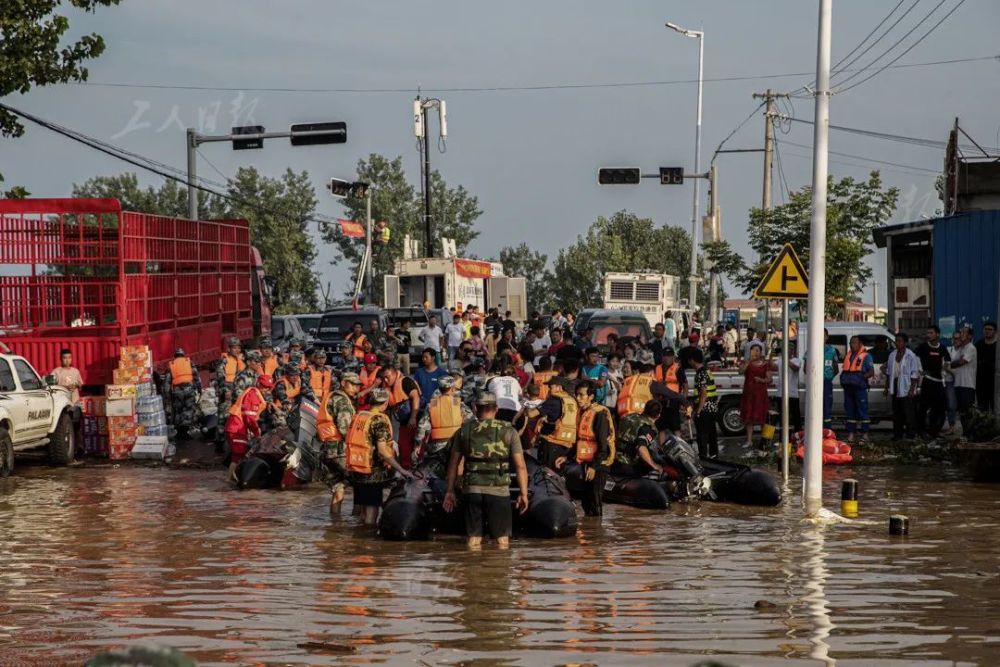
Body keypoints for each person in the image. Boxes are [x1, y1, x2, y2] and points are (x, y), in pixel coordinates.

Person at [442, 392, 530, 548]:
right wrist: (523, 494)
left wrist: (449, 491)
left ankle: (472, 569)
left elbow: (453, 463)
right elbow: (520, 466)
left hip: (472, 490)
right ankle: (499, 569)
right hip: (498, 490)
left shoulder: (464, 431)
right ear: (496, 409)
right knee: (502, 541)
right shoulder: (509, 431)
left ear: (475, 409)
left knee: (473, 539)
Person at [344, 387, 412, 525]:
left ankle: (358, 541)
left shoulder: (359, 415)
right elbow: (382, 450)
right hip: (372, 473)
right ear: (385, 403)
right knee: (371, 511)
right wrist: (401, 469)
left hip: (357, 469)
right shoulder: (379, 420)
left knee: (362, 511)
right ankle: (369, 543)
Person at [556, 380, 615, 516]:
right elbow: (581, 441)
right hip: (586, 462)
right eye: (577, 394)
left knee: (595, 501)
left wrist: (594, 467)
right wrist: (566, 456)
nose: (578, 398)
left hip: (599, 464)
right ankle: (590, 532)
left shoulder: (600, 414)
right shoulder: (583, 412)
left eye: (581, 395)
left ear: (591, 397)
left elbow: (602, 446)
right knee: (586, 502)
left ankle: (597, 532)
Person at [415, 375, 473, 476]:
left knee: (438, 474)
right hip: (456, 445)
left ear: (439, 388)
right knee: (457, 468)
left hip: (436, 447)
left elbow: (422, 427)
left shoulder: (431, 405)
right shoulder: (459, 404)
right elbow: (472, 422)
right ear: (452, 388)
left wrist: (418, 445)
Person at [321, 371, 359, 512]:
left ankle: (334, 526)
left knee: (338, 488)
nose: (356, 388)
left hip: (327, 451)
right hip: (340, 452)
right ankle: (359, 525)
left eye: (358, 385)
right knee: (360, 483)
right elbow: (345, 429)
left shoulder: (331, 397)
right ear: (343, 383)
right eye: (353, 384)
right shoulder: (342, 401)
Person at [224, 374, 273, 480]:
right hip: (237, 428)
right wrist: (256, 433)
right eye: (264, 387)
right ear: (258, 384)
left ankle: (232, 478)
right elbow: (249, 418)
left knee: (239, 455)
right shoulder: (253, 395)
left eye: (268, 387)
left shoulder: (255, 394)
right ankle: (229, 480)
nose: (266, 390)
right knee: (237, 456)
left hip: (237, 427)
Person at [381, 361, 422, 470]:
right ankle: (406, 471)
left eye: (387, 377)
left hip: (417, 420)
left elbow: (416, 397)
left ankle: (420, 471)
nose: (385, 380)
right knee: (403, 447)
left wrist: (413, 418)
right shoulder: (387, 388)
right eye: (383, 378)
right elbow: (386, 409)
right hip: (404, 423)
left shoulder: (405, 381)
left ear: (394, 374)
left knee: (419, 448)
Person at [613, 400, 665, 477]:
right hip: (627, 464)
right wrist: (654, 465)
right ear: (658, 415)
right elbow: (641, 448)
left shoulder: (629, 416)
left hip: (613, 459)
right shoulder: (648, 428)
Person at [915, 325, 951, 439]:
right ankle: (921, 431)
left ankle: (934, 432)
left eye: (931, 333)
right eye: (928, 333)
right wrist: (921, 371)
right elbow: (915, 358)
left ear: (937, 334)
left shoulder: (942, 348)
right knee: (923, 407)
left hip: (939, 382)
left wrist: (945, 368)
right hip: (927, 381)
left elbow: (948, 361)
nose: (928, 335)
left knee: (938, 409)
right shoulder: (923, 347)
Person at [884, 332, 921, 441]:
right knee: (896, 412)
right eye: (896, 341)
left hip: (906, 386)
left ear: (905, 342)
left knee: (908, 411)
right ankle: (897, 434)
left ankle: (910, 434)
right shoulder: (892, 355)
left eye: (900, 341)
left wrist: (911, 390)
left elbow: (915, 374)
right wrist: (886, 387)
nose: (897, 343)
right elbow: (889, 372)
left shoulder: (911, 355)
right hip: (895, 384)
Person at [840, 335, 875, 444]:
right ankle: (851, 435)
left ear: (860, 344)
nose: (852, 345)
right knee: (850, 411)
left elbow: (871, 372)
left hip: (859, 388)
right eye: (851, 343)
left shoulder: (866, 356)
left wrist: (860, 378)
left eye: (854, 342)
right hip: (848, 388)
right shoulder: (849, 355)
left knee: (862, 411)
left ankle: (865, 435)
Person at [164, 348, 201, 441]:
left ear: (175, 356)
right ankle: (186, 432)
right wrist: (199, 388)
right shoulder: (189, 362)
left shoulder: (171, 365)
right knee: (188, 410)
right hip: (189, 390)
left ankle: (179, 433)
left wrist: (167, 395)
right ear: (183, 355)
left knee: (178, 411)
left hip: (177, 392)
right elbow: (196, 376)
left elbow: (167, 382)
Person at [687, 349, 719, 459]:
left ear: (692, 360)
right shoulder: (707, 371)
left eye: (689, 360)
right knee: (712, 435)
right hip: (713, 408)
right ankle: (714, 456)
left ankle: (703, 458)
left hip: (705, 409)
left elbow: (703, 394)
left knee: (702, 436)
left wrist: (698, 411)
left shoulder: (701, 373)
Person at [213, 337, 245, 447]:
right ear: (229, 349)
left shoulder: (241, 360)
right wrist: (226, 390)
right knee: (224, 418)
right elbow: (220, 377)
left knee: (236, 417)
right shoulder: (224, 360)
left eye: (238, 348)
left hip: (237, 391)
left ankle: (233, 442)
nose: (236, 350)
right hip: (227, 390)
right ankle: (220, 443)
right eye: (234, 348)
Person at [739, 343, 771, 450]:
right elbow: (740, 372)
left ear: (761, 352)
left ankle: (765, 441)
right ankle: (749, 440)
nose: (755, 352)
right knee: (749, 418)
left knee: (763, 417)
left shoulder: (765, 364)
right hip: (749, 394)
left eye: (757, 350)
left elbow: (769, 379)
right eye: (753, 350)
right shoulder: (746, 363)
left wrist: (761, 380)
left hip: (760, 395)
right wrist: (747, 363)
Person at [652, 348, 687, 437]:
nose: (667, 358)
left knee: (676, 428)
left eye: (669, 356)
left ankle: (679, 448)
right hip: (660, 402)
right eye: (665, 356)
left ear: (673, 357)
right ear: (662, 357)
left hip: (673, 402)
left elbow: (685, 385)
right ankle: (662, 450)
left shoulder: (678, 369)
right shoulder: (657, 368)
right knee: (661, 428)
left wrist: (684, 401)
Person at [950, 326, 978, 428]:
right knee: (961, 412)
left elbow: (961, 362)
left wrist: (958, 361)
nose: (961, 334)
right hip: (958, 383)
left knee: (967, 412)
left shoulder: (971, 348)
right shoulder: (961, 348)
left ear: (970, 336)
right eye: (961, 332)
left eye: (964, 332)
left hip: (968, 385)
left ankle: (970, 434)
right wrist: (957, 361)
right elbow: (952, 363)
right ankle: (965, 434)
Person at [771, 340, 802, 433]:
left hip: (792, 394)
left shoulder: (797, 360)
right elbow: (772, 366)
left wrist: (786, 359)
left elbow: (795, 368)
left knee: (796, 418)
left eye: (790, 349)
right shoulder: (780, 360)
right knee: (779, 417)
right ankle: (778, 439)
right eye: (787, 349)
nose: (789, 351)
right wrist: (771, 356)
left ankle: (797, 437)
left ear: (793, 351)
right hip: (780, 394)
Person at [975, 321, 997, 413]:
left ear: (995, 331)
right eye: (985, 329)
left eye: (990, 329)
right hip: (981, 383)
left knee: (995, 408)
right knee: (982, 409)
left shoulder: (998, 345)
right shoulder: (978, 345)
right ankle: (984, 426)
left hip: (995, 382)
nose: (987, 331)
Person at [943, 331, 962, 434]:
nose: (956, 340)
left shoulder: (964, 351)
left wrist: (950, 370)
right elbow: (945, 366)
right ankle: (951, 426)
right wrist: (953, 372)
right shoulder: (949, 350)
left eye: (958, 338)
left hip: (962, 381)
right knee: (951, 404)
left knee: (961, 405)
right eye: (954, 338)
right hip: (950, 381)